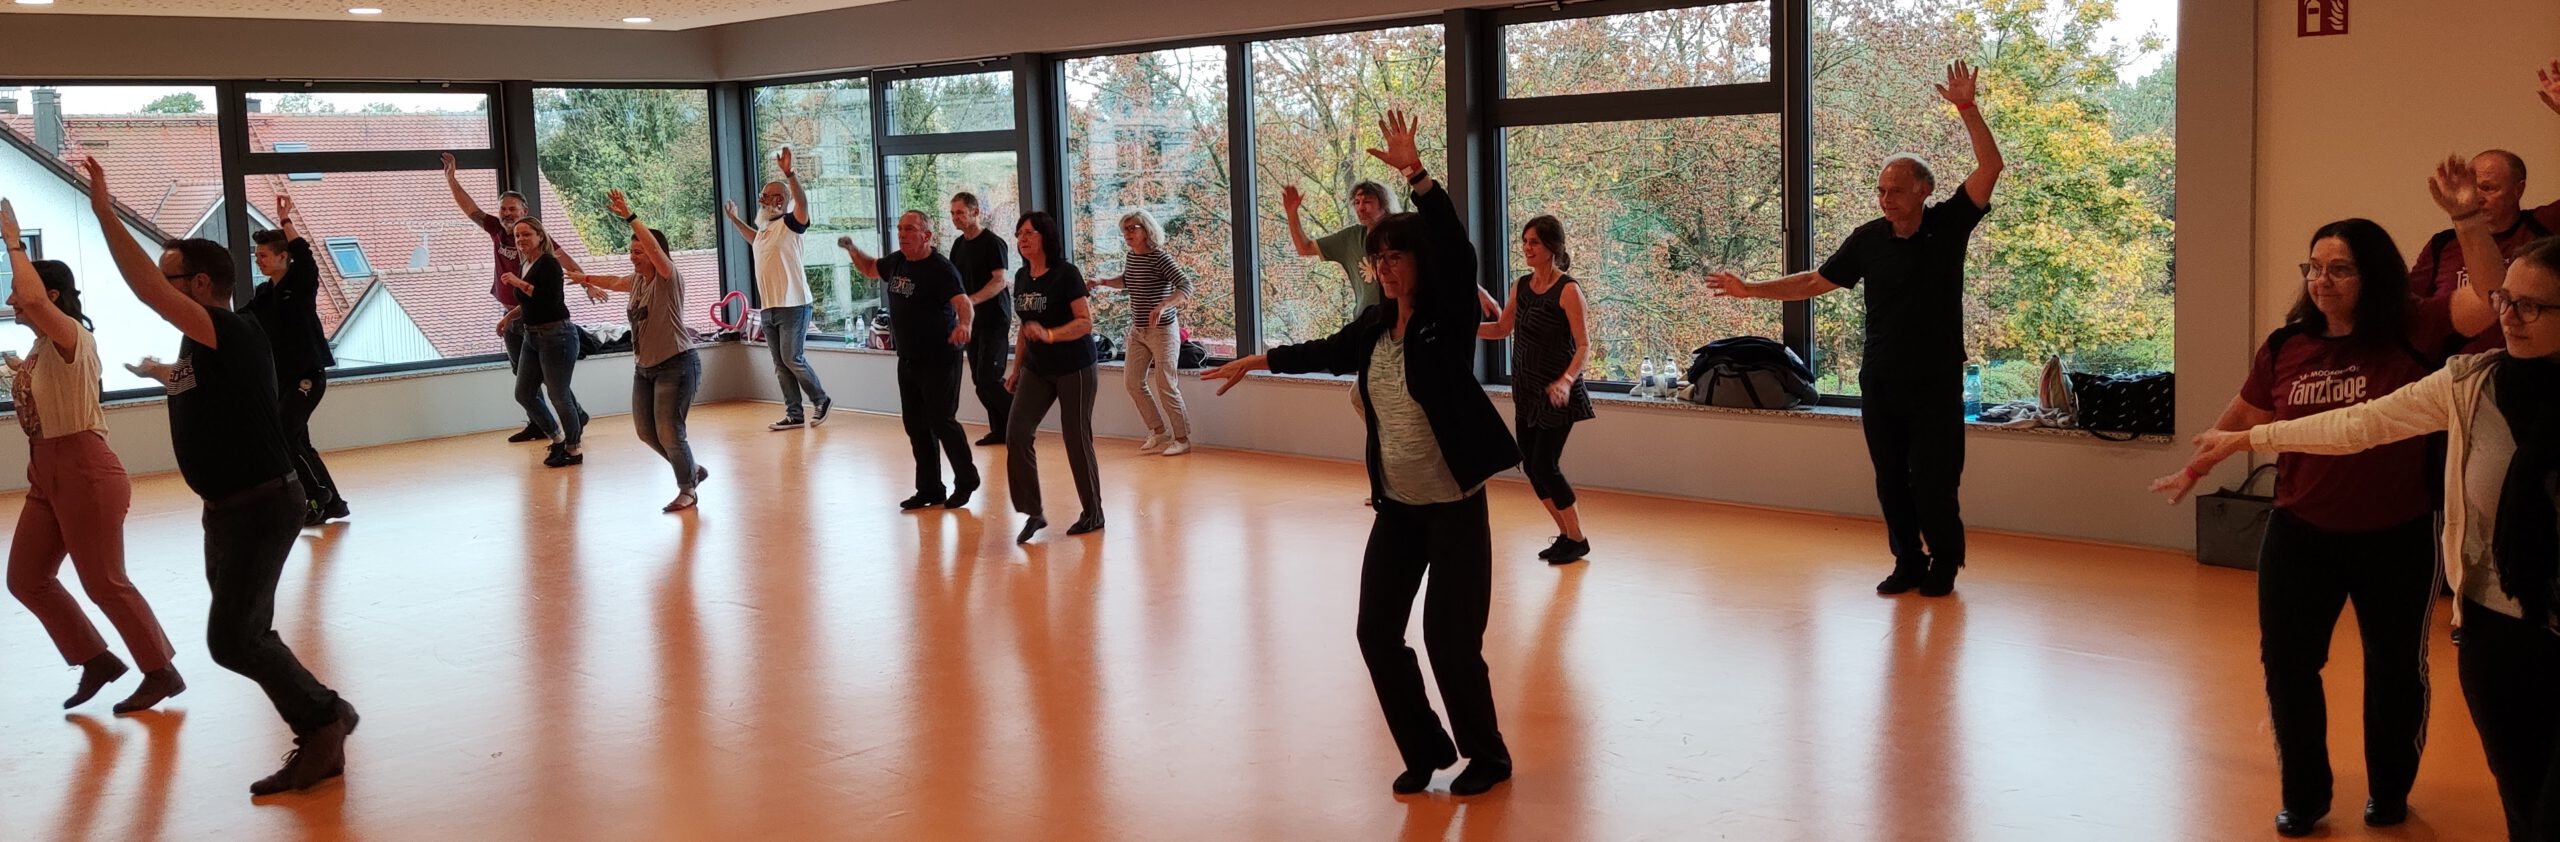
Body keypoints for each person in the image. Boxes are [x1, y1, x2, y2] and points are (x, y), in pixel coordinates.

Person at [2169, 165, 2556, 842]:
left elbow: (2490, 295)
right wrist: (2203, 460)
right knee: (2289, 667)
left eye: (2340, 269)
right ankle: (2304, 798)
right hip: (2302, 532)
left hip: (2396, 535)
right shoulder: (2290, 346)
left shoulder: (2416, 327)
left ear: (2373, 275)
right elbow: (2263, 417)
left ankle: (2389, 791)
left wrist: (2467, 219)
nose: (2322, 281)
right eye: (2314, 268)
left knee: (2395, 670)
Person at [1203, 110, 1517, 798]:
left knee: (1450, 643)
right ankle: (1426, 748)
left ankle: (1488, 757)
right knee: (1376, 634)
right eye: (1378, 259)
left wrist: (1417, 174)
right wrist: (1256, 358)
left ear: (1419, 262)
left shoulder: (1447, 320)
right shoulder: (1374, 324)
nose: (1384, 268)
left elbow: (1458, 248)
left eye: (1395, 256)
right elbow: (1322, 351)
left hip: (1455, 508)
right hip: (1399, 510)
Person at [83, 158, 357, 797]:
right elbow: (193, 382)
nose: (162, 290)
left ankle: (325, 720)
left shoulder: (230, 329)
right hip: (228, 508)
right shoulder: (204, 344)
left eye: (171, 279)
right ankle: (323, 725)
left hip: (261, 504)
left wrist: (104, 214)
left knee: (233, 639)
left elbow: (145, 290)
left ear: (200, 283)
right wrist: (158, 372)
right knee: (246, 632)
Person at [1704, 61, 2004, 597]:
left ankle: (1945, 563)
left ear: (1923, 191)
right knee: (1890, 481)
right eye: (1881, 190)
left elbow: (1991, 165)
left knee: (1934, 482)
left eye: (1896, 190)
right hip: (1882, 380)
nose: (1886, 199)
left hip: (1935, 382)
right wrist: (1751, 289)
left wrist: (1967, 108)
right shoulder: (1868, 239)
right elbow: (1814, 281)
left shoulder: (1949, 224)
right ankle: (1908, 560)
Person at [0, 199, 183, 715]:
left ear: (51, 297)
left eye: (19, 291)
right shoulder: (42, 346)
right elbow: (39, 386)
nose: (12, 299)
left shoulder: (69, 334)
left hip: (84, 468)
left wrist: (13, 243)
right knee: (26, 578)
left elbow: (30, 299)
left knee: (104, 581)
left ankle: (161, 671)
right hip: (47, 470)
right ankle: (96, 660)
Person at [573, 190, 705, 512]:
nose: (634, 257)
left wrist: (630, 216)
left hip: (677, 363)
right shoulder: (637, 281)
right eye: (631, 251)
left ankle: (687, 489)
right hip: (644, 368)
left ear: (655, 253)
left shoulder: (668, 277)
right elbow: (614, 281)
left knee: (670, 432)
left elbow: (655, 250)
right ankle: (691, 469)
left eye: (640, 251)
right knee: (646, 431)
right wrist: (585, 277)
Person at [1477, 215, 1595, 564]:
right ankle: (1567, 535)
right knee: (1531, 466)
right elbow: (1502, 328)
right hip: (1527, 392)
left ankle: (1577, 537)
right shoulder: (1521, 286)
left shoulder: (1568, 290)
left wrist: (1566, 380)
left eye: (1534, 243)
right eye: (1525, 242)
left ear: (1552, 247)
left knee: (1545, 464)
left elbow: (1584, 345)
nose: (1527, 248)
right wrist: (1465, 328)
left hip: (1559, 395)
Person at [444, 152, 584, 442]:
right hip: (511, 315)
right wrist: (451, 179)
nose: (507, 213)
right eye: (503, 209)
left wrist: (587, 282)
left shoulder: (536, 238)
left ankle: (575, 419)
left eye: (512, 208)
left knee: (550, 377)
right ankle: (539, 423)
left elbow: (564, 259)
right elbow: (470, 209)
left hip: (534, 316)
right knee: (523, 376)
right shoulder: (497, 230)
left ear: (524, 210)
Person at [844, 211, 978, 510]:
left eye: (909, 229)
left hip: (939, 357)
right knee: (916, 425)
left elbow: (963, 303)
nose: (902, 234)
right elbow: (870, 268)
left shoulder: (941, 269)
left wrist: (965, 325)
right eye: (900, 228)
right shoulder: (897, 261)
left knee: (942, 421)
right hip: (908, 358)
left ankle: (967, 479)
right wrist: (853, 250)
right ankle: (930, 488)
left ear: (927, 235)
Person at [247, 195, 349, 526]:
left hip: (308, 376)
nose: (259, 261)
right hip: (283, 380)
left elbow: (305, 255)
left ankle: (317, 495)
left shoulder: (301, 282)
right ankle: (334, 504)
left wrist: (285, 221)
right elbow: (239, 321)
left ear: (283, 257)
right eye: (257, 256)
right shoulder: (264, 295)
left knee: (282, 436)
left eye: (264, 255)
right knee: (298, 441)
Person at [1002, 211, 1103, 544]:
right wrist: (1016, 369)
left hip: (1075, 366)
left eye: (1029, 233)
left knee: (1076, 439)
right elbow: (1024, 328)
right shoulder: (1021, 276)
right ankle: (1033, 512)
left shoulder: (1066, 274)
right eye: (1019, 234)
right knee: (1017, 434)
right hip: (1037, 368)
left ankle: (1093, 513)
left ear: (1045, 236)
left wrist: (1050, 335)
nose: (1022, 239)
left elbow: (1085, 322)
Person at [2408, 149, 2560, 355]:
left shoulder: (2546, 225)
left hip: (2533, 361)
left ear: (2518, 190)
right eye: (2472, 187)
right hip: (2457, 366)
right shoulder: (2441, 244)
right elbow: (2408, 309)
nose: (2476, 197)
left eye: (2488, 188)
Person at [724, 147, 832, 431]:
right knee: (780, 364)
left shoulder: (791, 223)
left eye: (771, 195)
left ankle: (820, 399)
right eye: (763, 195)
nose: (765, 199)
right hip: (769, 307)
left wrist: (789, 174)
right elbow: (753, 238)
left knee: (792, 358)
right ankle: (794, 414)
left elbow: (802, 203)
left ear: (782, 200)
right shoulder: (765, 230)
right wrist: (734, 219)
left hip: (794, 304)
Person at [1091, 210, 1196, 457]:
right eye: (1125, 229)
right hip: (1138, 330)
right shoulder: (1132, 257)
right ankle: (1159, 430)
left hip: (1163, 331)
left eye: (1132, 228)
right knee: (1132, 382)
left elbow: (1186, 286)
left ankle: (1182, 439)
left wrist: (1163, 305)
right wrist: (1103, 281)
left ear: (1146, 230)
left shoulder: (1160, 258)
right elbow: (1127, 281)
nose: (1127, 233)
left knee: (1166, 384)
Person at [949, 192, 1013, 445]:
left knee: (989, 377)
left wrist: (971, 301)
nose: (955, 218)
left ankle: (1020, 424)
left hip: (994, 319)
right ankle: (1000, 430)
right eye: (952, 213)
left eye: (960, 212)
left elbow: (999, 281)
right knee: (979, 380)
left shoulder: (993, 243)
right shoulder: (958, 246)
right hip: (972, 322)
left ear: (975, 212)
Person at [1282, 180, 1396, 319]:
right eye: (1357, 202)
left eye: (1367, 202)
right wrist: (1292, 212)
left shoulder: (1400, 234)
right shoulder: (1350, 238)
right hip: (1364, 323)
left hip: (1397, 321)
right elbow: (1304, 248)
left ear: (1383, 205)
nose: (1360, 208)